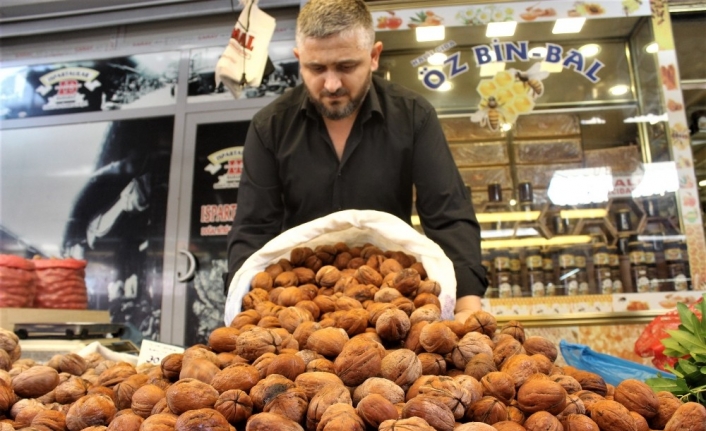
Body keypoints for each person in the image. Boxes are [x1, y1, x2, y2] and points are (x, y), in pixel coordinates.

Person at [225, 0, 487, 322]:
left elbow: (448, 215)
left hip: (391, 300)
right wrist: (242, 305)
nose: (331, 84)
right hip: (299, 303)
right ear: (299, 60)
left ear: (374, 56)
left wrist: (466, 305)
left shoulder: (413, 116)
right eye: (316, 69)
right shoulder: (270, 127)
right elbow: (254, 227)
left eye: (346, 67)